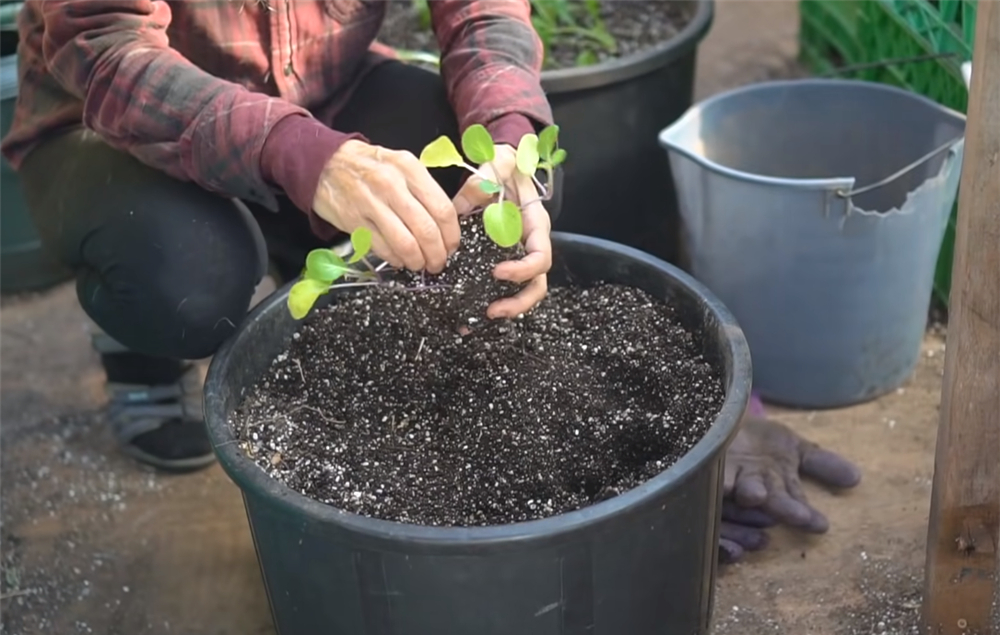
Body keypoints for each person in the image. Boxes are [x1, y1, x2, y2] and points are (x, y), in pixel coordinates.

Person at [2, 0, 859, 563]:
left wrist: (513, 137)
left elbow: (483, 12)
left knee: (467, 197)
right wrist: (303, 156)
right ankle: (134, 337)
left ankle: (340, 279)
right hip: (115, 135)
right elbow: (103, 50)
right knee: (186, 283)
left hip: (323, 94)